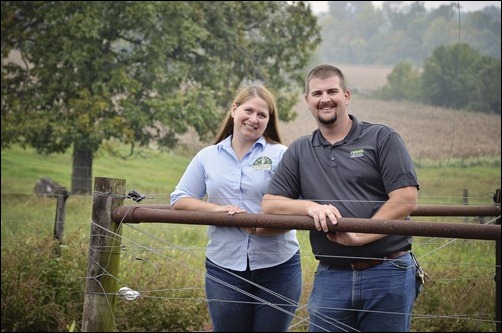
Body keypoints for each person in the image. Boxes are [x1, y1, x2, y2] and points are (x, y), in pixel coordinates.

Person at [262, 64, 421, 332]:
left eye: (332, 91)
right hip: (331, 275)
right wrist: (312, 208)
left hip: (387, 271)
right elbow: (270, 204)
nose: (325, 99)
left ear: (346, 96)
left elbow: (405, 198)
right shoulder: (301, 149)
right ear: (307, 101)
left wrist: (359, 236)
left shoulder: (381, 137)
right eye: (317, 93)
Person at [169, 85, 302, 332]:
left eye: (262, 115)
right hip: (224, 268)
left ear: (269, 121)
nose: (254, 119)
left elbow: (300, 205)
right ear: (234, 110)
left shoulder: (281, 155)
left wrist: (266, 228)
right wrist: (217, 211)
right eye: (248, 110)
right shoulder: (207, 157)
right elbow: (179, 198)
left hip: (279, 267)